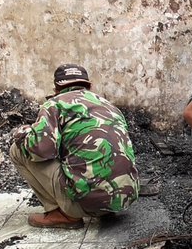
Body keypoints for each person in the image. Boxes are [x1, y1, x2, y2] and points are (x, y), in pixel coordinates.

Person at [10, 64, 139, 229]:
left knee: (17, 150)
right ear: (89, 86)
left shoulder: (54, 105)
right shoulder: (109, 106)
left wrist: (22, 133)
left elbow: (41, 151)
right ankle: (105, 208)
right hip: (124, 198)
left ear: (56, 88)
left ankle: (63, 215)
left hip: (87, 203)